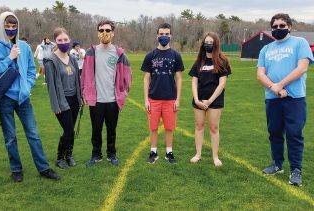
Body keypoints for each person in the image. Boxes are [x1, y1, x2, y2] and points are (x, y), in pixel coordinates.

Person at [0, 12, 59, 182]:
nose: (11, 29)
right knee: (10, 137)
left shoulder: (24, 46)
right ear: (1, 26)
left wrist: (28, 85)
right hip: (5, 98)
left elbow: (32, 70)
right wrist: (9, 58)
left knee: (33, 133)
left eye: (13, 26)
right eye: (7, 26)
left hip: (23, 98)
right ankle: (16, 169)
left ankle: (43, 168)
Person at [257, 13, 313, 186]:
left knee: (294, 134)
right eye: (275, 26)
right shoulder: (266, 49)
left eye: (282, 26)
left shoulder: (299, 43)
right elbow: (260, 74)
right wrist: (274, 88)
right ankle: (277, 164)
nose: (278, 29)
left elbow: (302, 67)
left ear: (289, 26)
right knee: (274, 132)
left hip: (294, 98)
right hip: (272, 99)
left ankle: (296, 170)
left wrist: (280, 84)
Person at [81, 20, 132, 166]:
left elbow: (128, 75)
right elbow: (84, 75)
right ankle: (96, 155)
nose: (105, 33)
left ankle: (111, 154)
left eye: (108, 30)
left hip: (112, 101)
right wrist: (85, 93)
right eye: (102, 30)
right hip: (96, 100)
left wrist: (123, 93)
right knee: (96, 130)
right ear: (98, 33)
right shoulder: (91, 52)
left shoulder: (119, 53)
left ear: (113, 33)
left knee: (111, 130)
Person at [141, 23, 184, 164]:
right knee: (153, 127)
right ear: (157, 35)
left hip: (170, 98)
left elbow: (179, 78)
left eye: (167, 34)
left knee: (169, 127)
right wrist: (146, 99)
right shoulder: (150, 55)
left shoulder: (176, 55)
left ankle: (169, 152)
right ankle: (153, 152)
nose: (164, 36)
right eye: (161, 34)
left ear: (170, 36)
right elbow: (146, 78)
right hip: (153, 98)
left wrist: (177, 99)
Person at [188, 32, 231, 167]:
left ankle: (215, 156)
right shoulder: (198, 62)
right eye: (206, 42)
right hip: (199, 100)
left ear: (216, 44)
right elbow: (194, 82)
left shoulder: (222, 61)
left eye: (211, 43)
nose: (208, 45)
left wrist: (210, 100)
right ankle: (198, 154)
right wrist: (196, 99)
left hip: (215, 101)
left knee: (213, 127)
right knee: (199, 126)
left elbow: (222, 83)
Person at [44, 28, 83, 169]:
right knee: (68, 130)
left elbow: (77, 81)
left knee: (71, 129)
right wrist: (56, 106)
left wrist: (80, 98)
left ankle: (69, 155)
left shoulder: (72, 58)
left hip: (74, 100)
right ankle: (60, 157)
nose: (63, 42)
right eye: (60, 40)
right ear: (55, 41)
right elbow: (51, 86)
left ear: (69, 40)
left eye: (65, 40)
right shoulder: (50, 61)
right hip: (62, 101)